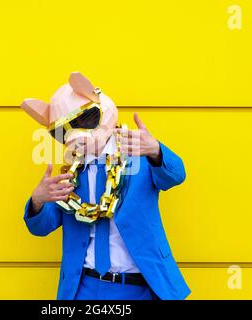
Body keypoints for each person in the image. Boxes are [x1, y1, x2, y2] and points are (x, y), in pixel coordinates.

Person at [21, 72, 190, 300]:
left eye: (84, 120)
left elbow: (176, 175)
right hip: (84, 288)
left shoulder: (138, 156)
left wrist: (156, 150)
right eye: (63, 131)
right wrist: (38, 200)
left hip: (141, 286)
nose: (76, 133)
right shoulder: (69, 175)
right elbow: (41, 227)